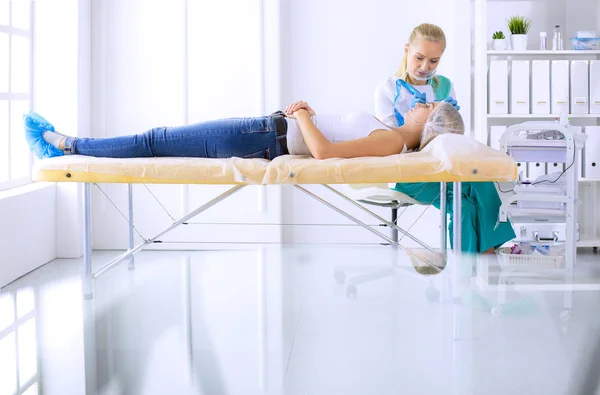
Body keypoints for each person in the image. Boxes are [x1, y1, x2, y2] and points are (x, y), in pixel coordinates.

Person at [374, 23, 515, 254]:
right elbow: (388, 143)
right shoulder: (387, 91)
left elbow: (453, 137)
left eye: (433, 61)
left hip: (443, 164)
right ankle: (484, 262)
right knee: (474, 187)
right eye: (419, 58)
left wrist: (447, 121)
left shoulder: (445, 86)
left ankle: (467, 271)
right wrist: (415, 123)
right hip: (407, 171)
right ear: (407, 49)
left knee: (466, 204)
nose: (424, 67)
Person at [24, 100, 464, 161]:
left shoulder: (392, 140)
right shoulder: (389, 130)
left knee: (154, 140)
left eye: (428, 105)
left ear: (429, 124)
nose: (421, 102)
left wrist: (304, 114)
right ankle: (71, 144)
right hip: (263, 131)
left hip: (263, 138)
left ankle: (69, 146)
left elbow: (325, 153)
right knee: (156, 138)